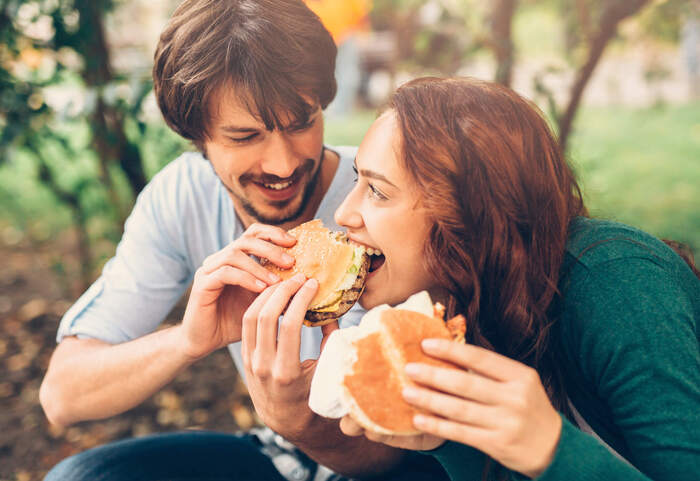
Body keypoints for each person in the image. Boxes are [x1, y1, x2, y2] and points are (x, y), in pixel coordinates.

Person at [39, 1, 448, 480]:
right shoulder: (182, 197)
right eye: (244, 136)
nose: (283, 164)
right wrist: (189, 341)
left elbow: (404, 452)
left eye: (302, 122)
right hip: (283, 457)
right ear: (197, 136)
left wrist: (296, 421)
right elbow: (62, 395)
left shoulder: (388, 197)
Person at [243, 77, 700, 480]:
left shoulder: (617, 284)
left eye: (378, 191)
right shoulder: (465, 304)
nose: (344, 214)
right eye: (356, 181)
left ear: (470, 215)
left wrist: (550, 449)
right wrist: (449, 443)